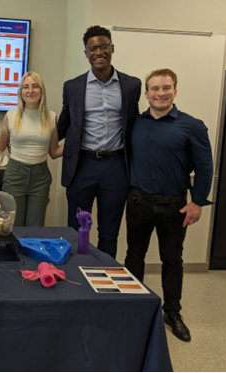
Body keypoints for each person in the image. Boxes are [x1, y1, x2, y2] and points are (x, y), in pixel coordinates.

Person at [125, 69, 213, 342]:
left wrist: (197, 202)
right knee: (134, 256)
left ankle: (172, 313)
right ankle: (133, 309)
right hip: (138, 201)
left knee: (172, 260)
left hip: (174, 206)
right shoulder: (135, 123)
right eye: (154, 88)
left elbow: (205, 166)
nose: (160, 93)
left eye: (166, 88)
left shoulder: (192, 125)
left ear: (175, 91)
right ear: (146, 93)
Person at [57, 26, 141, 258]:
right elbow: (63, 124)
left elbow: (135, 124)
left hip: (116, 167)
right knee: (75, 230)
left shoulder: (132, 85)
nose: (99, 52)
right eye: (92, 48)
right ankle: (76, 278)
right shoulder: (73, 87)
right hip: (82, 166)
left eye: (103, 46)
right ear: (86, 53)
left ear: (111, 48)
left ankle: (105, 282)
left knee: (109, 232)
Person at [0, 71, 63, 227]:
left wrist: (78, 143)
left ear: (42, 90)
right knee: (14, 226)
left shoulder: (51, 116)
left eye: (35, 86)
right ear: (20, 91)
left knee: (36, 227)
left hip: (40, 177)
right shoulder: (11, 116)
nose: (30, 91)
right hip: (15, 175)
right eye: (25, 87)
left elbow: (54, 152)